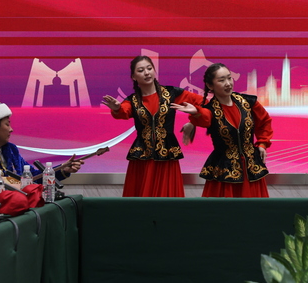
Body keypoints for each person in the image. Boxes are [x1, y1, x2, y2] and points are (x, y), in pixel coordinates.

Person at [101, 55, 204, 197]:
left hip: (167, 155)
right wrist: (117, 108)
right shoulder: (133, 100)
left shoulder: (172, 93)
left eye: (149, 68)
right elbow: (123, 112)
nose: (146, 73)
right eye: (141, 70)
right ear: (134, 77)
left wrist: (193, 121)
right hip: (142, 158)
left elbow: (204, 103)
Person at [0, 99, 82, 200]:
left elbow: (32, 177)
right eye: (7, 124)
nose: (11, 129)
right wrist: (10, 190)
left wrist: (62, 170)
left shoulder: (11, 150)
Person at [183, 63, 273, 198]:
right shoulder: (210, 110)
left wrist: (262, 143)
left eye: (229, 78)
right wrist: (195, 113)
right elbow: (204, 118)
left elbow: (264, 121)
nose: (228, 83)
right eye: (221, 80)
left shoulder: (248, 102)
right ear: (210, 86)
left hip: (251, 168)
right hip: (224, 170)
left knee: (253, 208)